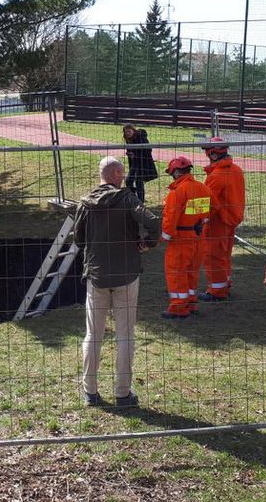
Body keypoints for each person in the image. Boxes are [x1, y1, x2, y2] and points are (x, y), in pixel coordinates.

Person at [74, 156, 161, 408]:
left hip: (97, 275)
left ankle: (90, 391)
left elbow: (78, 239)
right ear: (115, 175)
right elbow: (153, 221)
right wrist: (147, 243)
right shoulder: (127, 199)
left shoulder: (85, 203)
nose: (123, 178)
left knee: (93, 335)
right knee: (125, 335)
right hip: (126, 275)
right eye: (121, 174)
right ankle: (123, 393)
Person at [160, 155, 215, 318]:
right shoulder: (202, 188)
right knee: (192, 272)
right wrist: (202, 221)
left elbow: (170, 219)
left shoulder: (177, 193)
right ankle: (191, 303)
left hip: (180, 239)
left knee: (176, 273)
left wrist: (164, 237)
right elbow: (213, 207)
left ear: (176, 172)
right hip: (197, 237)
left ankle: (178, 307)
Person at [198, 137, 245, 301]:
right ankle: (225, 283)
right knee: (224, 254)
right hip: (231, 219)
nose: (206, 155)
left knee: (213, 256)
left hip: (217, 221)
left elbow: (206, 202)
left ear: (213, 155)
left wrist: (192, 218)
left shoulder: (216, 176)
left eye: (207, 152)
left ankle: (217, 291)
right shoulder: (236, 170)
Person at [121, 124, 158, 203]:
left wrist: (135, 155)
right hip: (135, 164)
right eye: (126, 132)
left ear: (133, 131)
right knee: (128, 181)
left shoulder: (141, 137)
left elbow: (148, 150)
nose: (127, 133)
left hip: (143, 163)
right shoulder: (128, 139)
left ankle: (140, 201)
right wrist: (130, 154)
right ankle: (134, 196)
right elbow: (131, 151)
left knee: (139, 182)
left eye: (129, 131)